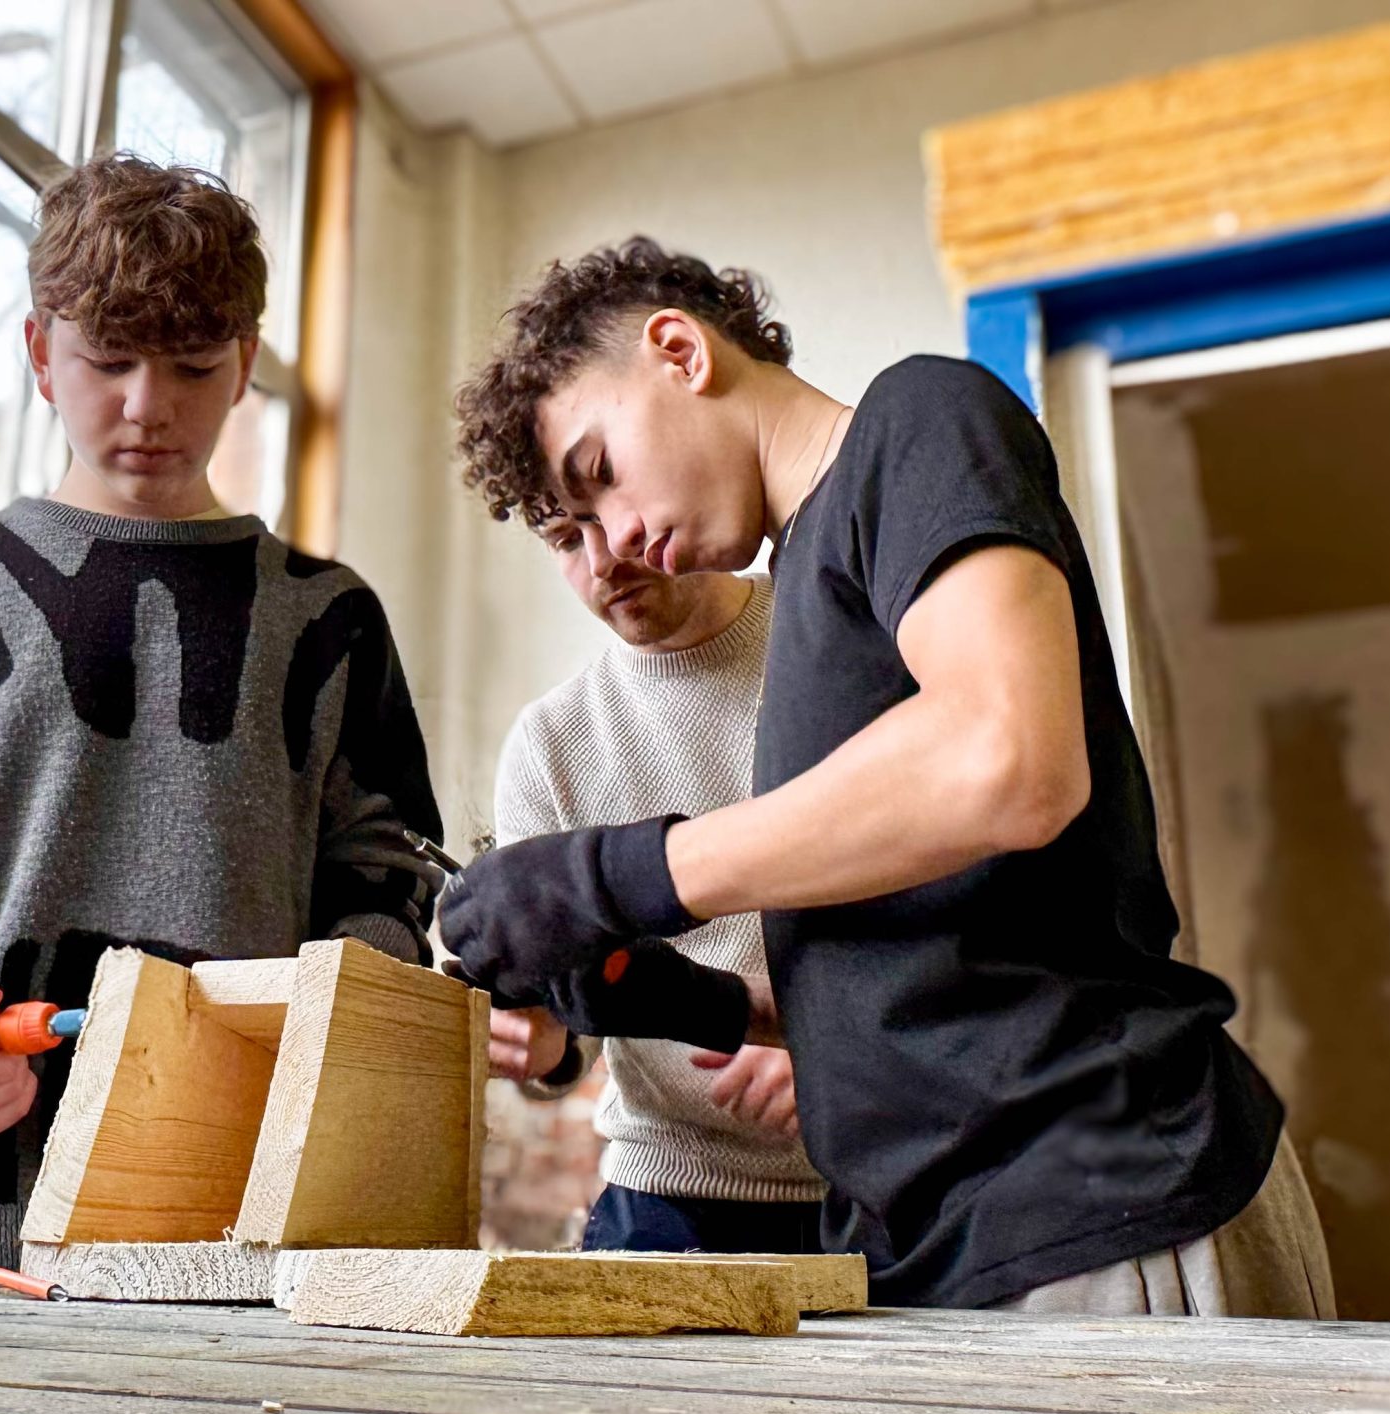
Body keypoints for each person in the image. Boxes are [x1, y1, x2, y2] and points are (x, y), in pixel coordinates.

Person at [443, 238, 1333, 1316]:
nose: (617, 537)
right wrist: (703, 1000)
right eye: (569, 526)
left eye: (600, 471)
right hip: (954, 1230)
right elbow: (940, 956)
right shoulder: (818, 590)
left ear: (677, 351)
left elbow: (1008, 759)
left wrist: (619, 873)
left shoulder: (914, 422)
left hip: (1092, 1187)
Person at [0, 157, 440, 1267]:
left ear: (245, 364)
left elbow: (394, 894)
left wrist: (325, 1022)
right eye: (106, 361)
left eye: (194, 367)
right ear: (38, 355)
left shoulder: (330, 620)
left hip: (231, 1245)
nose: (146, 407)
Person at [489, 518, 825, 1254]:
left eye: (609, 521)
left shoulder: (833, 643)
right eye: (564, 540)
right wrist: (541, 1042)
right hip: (665, 1198)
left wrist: (836, 1043)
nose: (603, 562)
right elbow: (569, 1038)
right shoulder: (550, 744)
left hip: (876, 1183)